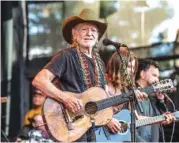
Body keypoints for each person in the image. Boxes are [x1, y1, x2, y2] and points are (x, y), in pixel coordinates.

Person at [32, 9, 145, 142]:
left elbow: (100, 99)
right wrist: (65, 98)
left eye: (93, 31)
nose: (89, 33)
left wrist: (110, 117)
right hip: (70, 126)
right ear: (74, 34)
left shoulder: (99, 63)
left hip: (93, 131)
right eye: (84, 29)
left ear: (97, 37)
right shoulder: (66, 56)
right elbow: (39, 80)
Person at [135, 59, 176, 142]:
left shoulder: (151, 97)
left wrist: (160, 100)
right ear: (142, 74)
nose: (157, 80)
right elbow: (132, 122)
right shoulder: (133, 94)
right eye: (154, 75)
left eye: (158, 76)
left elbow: (158, 119)